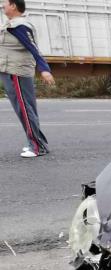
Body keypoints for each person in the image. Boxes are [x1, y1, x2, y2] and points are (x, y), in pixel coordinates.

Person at [0, 0, 55, 158]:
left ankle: (37, 147)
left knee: (25, 109)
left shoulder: (20, 26)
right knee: (23, 109)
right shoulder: (10, 24)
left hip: (16, 71)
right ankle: (36, 142)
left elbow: (33, 48)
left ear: (13, 6)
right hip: (9, 70)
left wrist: (44, 69)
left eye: (5, 3)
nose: (3, 5)